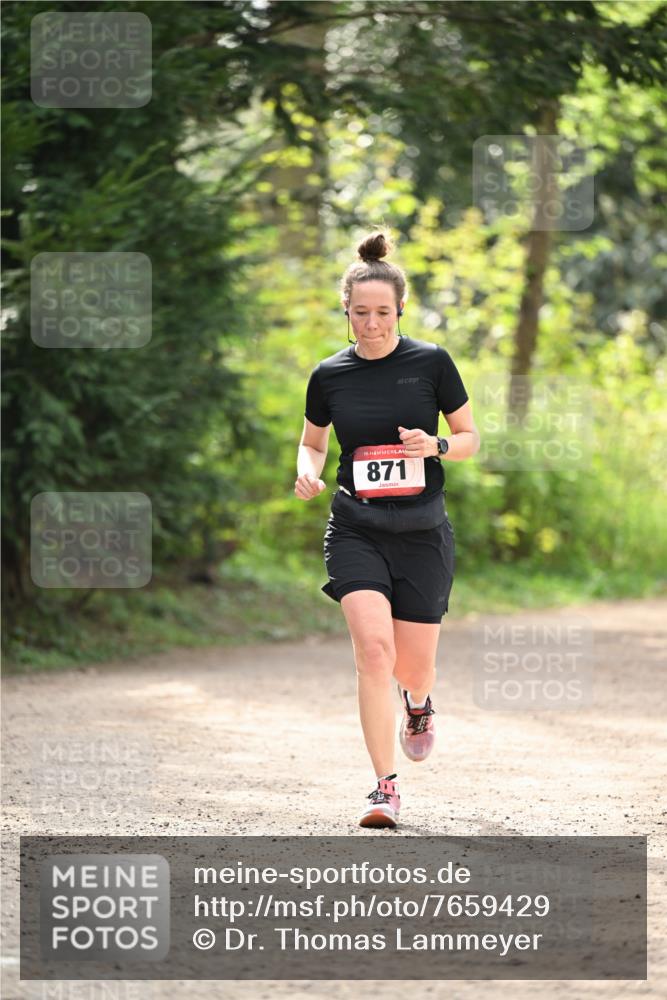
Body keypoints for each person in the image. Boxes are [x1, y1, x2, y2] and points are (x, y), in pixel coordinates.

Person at [294, 229, 480, 829]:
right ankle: (382, 788)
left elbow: (472, 440)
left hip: (423, 531)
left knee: (412, 669)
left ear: (399, 309)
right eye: (359, 313)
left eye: (381, 312)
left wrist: (437, 445)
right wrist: (308, 474)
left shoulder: (431, 362)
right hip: (356, 527)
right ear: (345, 311)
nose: (370, 324)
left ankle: (419, 705)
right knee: (374, 653)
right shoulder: (329, 375)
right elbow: (312, 443)